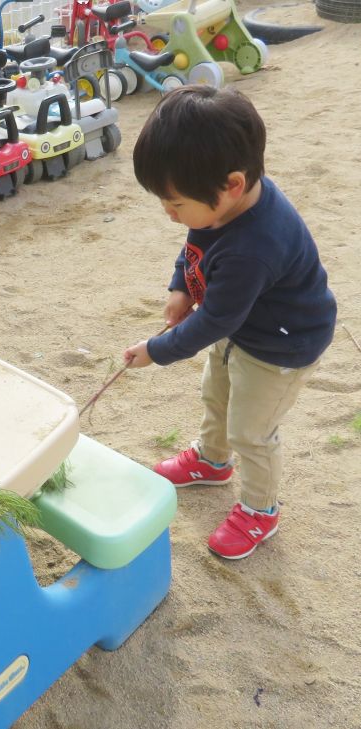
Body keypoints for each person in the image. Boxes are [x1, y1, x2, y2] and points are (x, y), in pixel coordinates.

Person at [123, 86, 337, 560]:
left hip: (281, 346)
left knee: (252, 431)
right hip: (242, 325)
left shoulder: (253, 247)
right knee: (216, 394)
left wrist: (155, 351)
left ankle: (261, 510)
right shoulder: (220, 200)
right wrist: (181, 285)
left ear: (233, 184)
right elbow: (196, 238)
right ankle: (212, 461)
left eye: (175, 203)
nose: (169, 212)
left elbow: (214, 321)